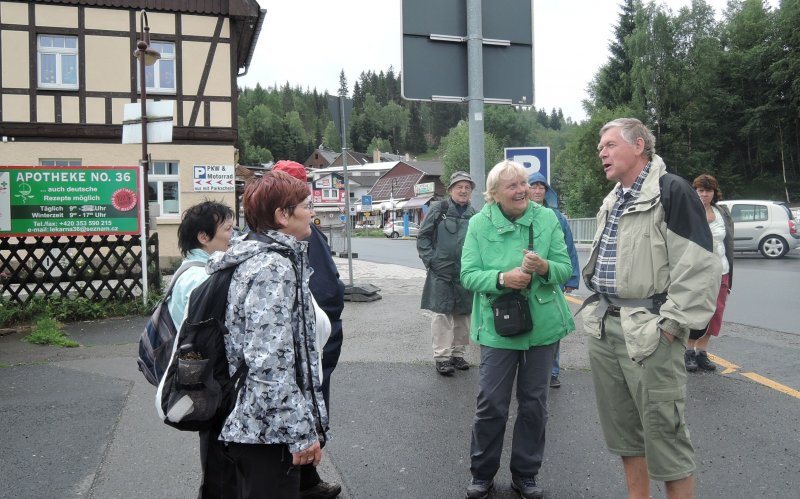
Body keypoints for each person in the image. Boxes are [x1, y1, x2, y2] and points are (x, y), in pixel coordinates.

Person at [580, 118, 721, 499]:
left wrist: (671, 327)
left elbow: (700, 267)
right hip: (606, 326)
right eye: (600, 147)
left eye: (609, 144)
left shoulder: (671, 191)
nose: (601, 152)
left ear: (639, 145)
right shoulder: (615, 197)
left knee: (666, 438)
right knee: (626, 436)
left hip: (650, 332)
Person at [208, 171, 329, 498]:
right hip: (266, 432)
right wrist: (301, 433)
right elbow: (268, 364)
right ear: (282, 215)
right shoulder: (272, 268)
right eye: (306, 205)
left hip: (260, 427)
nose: (312, 212)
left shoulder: (263, 256)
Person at [461, 160, 575, 499]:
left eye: (523, 183)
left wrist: (543, 266)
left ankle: (526, 474)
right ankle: (482, 474)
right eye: (512, 185)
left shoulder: (546, 218)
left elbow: (564, 268)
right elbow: (467, 275)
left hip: (542, 327)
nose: (522, 190)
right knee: (492, 404)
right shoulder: (479, 223)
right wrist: (501, 279)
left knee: (534, 404)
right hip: (500, 326)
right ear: (494, 194)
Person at [273, 160, 344, 499]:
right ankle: (299, 482)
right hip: (308, 343)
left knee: (312, 405)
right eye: (303, 197)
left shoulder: (306, 229)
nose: (309, 203)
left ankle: (307, 480)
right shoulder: (282, 240)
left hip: (320, 339)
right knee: (300, 407)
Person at [169, 200, 235, 499]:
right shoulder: (201, 277)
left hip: (201, 374)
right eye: (228, 229)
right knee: (219, 456)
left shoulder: (190, 270)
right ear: (203, 237)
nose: (232, 236)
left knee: (217, 451)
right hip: (210, 377)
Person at [417, 170, 476, 376]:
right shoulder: (438, 208)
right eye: (459, 187)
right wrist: (431, 260)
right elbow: (423, 237)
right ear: (451, 189)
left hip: (464, 273)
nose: (463, 190)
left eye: (467, 188)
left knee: (463, 314)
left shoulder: (475, 215)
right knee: (441, 314)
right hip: (440, 272)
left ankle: (457, 354)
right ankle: (442, 357)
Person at [527, 172, 580, 388]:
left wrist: (572, 277)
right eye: (534, 186)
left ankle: (552, 371)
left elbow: (569, 249)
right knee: (526, 323)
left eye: (542, 187)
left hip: (553, 277)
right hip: (527, 281)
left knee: (552, 325)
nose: (538, 191)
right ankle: (528, 370)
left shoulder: (557, 217)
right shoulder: (519, 213)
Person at [685, 174, 734, 372]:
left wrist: (730, 278)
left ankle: (701, 353)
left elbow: (728, 243)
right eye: (701, 190)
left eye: (708, 190)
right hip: (697, 272)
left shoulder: (722, 212)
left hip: (721, 271)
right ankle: (688, 352)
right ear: (695, 192)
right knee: (696, 313)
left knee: (715, 314)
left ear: (714, 193)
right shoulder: (688, 213)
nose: (704, 194)